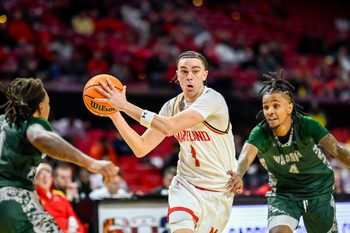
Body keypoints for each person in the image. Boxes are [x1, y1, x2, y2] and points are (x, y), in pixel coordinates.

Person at [95, 50, 240, 233]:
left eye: (195, 71)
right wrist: (114, 113)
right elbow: (141, 148)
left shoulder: (213, 99)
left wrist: (124, 106)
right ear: (177, 75)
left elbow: (170, 127)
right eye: (184, 71)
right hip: (185, 185)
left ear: (205, 75)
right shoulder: (171, 106)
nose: (189, 76)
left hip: (218, 189)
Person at [229, 70, 350, 233]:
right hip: (284, 193)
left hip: (318, 188)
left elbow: (337, 149)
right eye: (266, 107)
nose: (269, 111)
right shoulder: (260, 132)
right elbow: (246, 154)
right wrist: (238, 174)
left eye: (275, 106)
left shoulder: (307, 124)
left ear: (289, 108)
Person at [0, 78, 119, 233]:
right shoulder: (31, 123)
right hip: (13, 200)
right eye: (48, 104)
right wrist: (91, 163)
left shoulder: (3, 121)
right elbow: (39, 137)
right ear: (42, 107)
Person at [34, 163, 85, 233]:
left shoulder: (59, 195)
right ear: (35, 180)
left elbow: (73, 216)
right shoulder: (33, 198)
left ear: (51, 178)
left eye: (47, 175)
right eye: (41, 175)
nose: (45, 178)